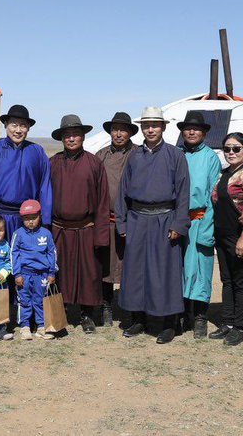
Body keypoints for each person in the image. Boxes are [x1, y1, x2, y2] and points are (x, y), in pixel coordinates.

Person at [116, 107, 190, 345]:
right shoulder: (134, 156)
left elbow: (183, 192)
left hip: (165, 219)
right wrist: (122, 222)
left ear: (163, 127)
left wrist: (179, 223)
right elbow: (122, 192)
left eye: (155, 125)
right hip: (137, 219)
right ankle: (139, 318)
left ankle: (169, 323)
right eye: (146, 125)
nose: (150, 129)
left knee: (164, 272)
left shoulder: (175, 155)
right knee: (136, 271)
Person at [0, 103, 52, 328]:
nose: (18, 130)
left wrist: (43, 222)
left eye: (23, 126)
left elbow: (45, 187)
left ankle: (25, 315)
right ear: (6, 126)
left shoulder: (37, 152)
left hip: (27, 220)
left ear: (28, 128)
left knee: (26, 265)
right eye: (14, 125)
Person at [49, 114, 111, 334]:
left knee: (89, 274)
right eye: (67, 135)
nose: (72, 138)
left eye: (75, 134)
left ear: (83, 136)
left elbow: (103, 201)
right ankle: (59, 313)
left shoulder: (94, 163)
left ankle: (87, 315)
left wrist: (101, 235)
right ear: (62, 138)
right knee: (59, 273)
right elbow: (45, 197)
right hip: (58, 229)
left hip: (86, 228)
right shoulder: (53, 163)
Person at [209, 132, 243, 347]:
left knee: (241, 281)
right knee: (227, 280)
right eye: (227, 149)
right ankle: (228, 322)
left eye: (236, 148)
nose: (231, 152)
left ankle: (239, 327)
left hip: (241, 235)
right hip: (223, 235)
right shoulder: (225, 173)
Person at [177, 110, 220, 339]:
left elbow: (215, 195)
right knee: (179, 269)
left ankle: (201, 317)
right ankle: (182, 314)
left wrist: (207, 227)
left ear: (204, 133)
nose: (191, 132)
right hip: (177, 221)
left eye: (196, 129)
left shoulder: (211, 158)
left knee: (201, 270)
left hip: (200, 219)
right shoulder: (175, 154)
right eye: (187, 128)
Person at [95, 111, 136, 327]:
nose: (119, 133)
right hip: (106, 219)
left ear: (130, 132)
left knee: (130, 264)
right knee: (106, 265)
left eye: (123, 129)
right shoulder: (100, 156)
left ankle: (130, 308)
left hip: (132, 220)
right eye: (115, 129)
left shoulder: (138, 154)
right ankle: (106, 306)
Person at [11, 200, 58, 340]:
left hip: (42, 275)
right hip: (24, 275)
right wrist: (17, 273)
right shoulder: (18, 234)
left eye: (33, 218)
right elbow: (14, 254)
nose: (30, 221)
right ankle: (25, 326)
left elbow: (52, 253)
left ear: (40, 216)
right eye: (26, 218)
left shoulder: (46, 234)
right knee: (25, 301)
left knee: (40, 301)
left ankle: (41, 326)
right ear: (21, 219)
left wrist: (51, 272)